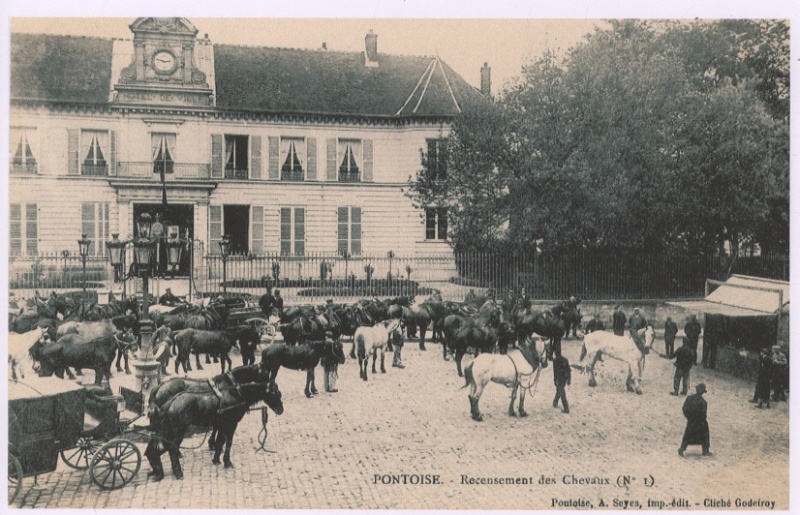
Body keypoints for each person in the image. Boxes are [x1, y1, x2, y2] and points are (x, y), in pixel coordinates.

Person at [678, 383, 712, 457]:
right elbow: (703, 416)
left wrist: (688, 417)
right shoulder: (703, 402)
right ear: (703, 392)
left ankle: (682, 448)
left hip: (691, 421)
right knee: (705, 434)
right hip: (699, 423)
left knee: (687, 435)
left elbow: (684, 408)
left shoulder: (689, 398)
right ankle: (705, 450)